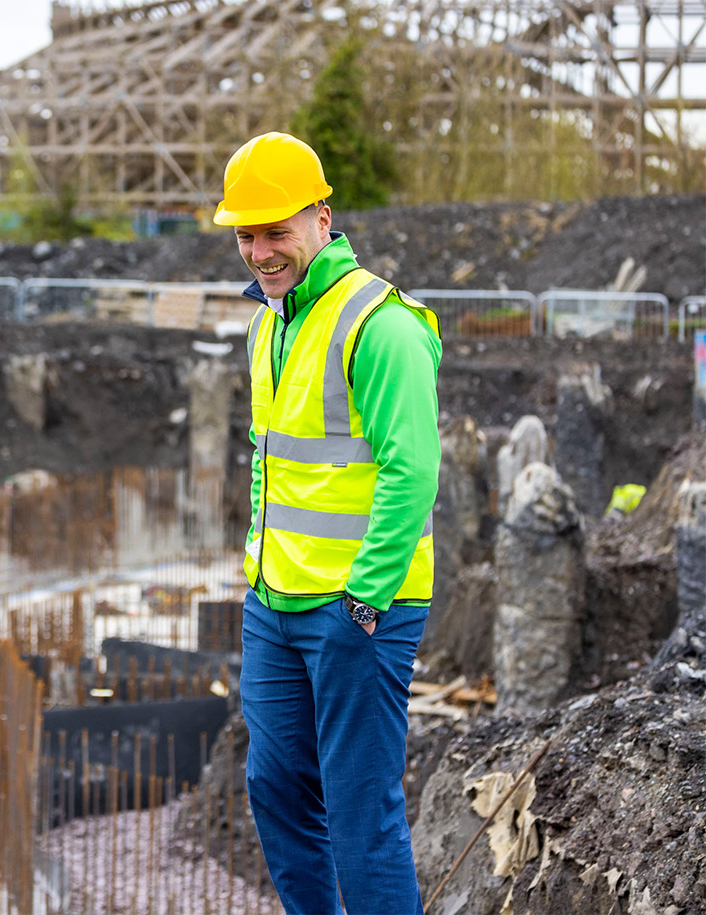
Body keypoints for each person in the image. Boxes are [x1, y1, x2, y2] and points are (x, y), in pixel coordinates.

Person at [216, 132, 441, 915]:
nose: (259, 249)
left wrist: (366, 599)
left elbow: (413, 471)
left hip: (358, 607)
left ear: (322, 216)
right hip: (275, 605)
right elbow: (269, 458)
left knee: (359, 811)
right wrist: (258, 569)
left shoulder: (382, 323)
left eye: (276, 229)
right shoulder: (268, 325)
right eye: (246, 233)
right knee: (275, 790)